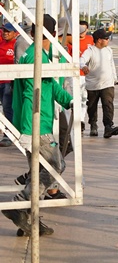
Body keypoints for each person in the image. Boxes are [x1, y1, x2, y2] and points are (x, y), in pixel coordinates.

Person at [2, 14, 73, 237]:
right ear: (52, 35)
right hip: (36, 124)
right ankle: (21, 206)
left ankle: (29, 219)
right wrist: (26, 128)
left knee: (39, 170)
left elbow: (51, 86)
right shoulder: (36, 58)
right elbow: (29, 95)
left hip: (34, 122)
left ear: (32, 33)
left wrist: (68, 101)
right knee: (55, 166)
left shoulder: (38, 55)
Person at [79, 28, 118, 138]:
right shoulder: (90, 51)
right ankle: (93, 125)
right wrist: (83, 66)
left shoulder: (109, 50)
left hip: (108, 83)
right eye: (106, 38)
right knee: (92, 106)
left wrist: (114, 78)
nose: (108, 40)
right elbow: (81, 59)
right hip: (93, 85)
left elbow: (111, 64)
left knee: (108, 105)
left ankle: (108, 127)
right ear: (99, 40)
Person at [0, 22, 17, 147]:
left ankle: (8, 135)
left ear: (14, 33)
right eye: (4, 31)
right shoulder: (1, 44)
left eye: (8, 31)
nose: (5, 33)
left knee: (7, 108)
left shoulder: (16, 45)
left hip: (8, 81)